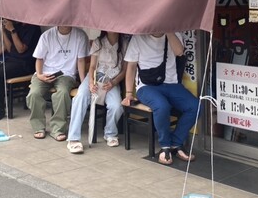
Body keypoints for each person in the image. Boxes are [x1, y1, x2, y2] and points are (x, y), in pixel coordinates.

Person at [122, 32, 199, 166]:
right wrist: (129, 93)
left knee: (195, 106)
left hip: (172, 84)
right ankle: (165, 146)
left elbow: (179, 52)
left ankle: (176, 142)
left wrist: (168, 31)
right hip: (146, 87)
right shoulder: (138, 37)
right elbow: (131, 66)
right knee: (162, 106)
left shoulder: (174, 34)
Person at [67, 31, 128, 153]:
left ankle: (110, 133)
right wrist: (91, 83)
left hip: (112, 81)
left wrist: (114, 82)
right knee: (80, 98)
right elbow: (92, 66)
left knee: (116, 106)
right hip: (94, 77)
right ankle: (73, 138)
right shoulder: (98, 42)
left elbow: (125, 70)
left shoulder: (125, 43)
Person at [27, 26, 89, 141]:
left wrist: (83, 82)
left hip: (66, 74)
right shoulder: (47, 35)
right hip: (44, 72)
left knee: (63, 93)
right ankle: (38, 127)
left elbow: (81, 60)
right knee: (34, 94)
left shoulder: (80, 35)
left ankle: (57, 129)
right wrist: (40, 75)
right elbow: (39, 58)